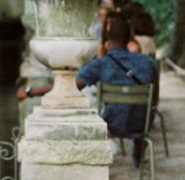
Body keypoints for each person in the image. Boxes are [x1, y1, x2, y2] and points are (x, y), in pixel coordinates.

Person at [19, 16, 158, 168]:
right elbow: (155, 98)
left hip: (111, 125)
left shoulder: (100, 64)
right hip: (141, 124)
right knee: (137, 111)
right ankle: (138, 154)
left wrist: (30, 91)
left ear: (107, 37)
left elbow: (68, 86)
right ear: (130, 38)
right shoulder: (147, 62)